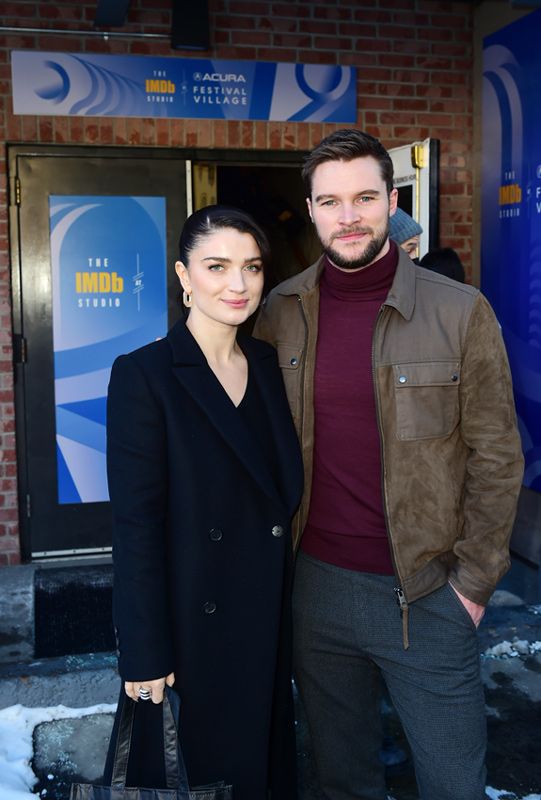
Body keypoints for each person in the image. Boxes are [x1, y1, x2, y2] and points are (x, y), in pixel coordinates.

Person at [253, 129, 524, 800]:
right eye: (329, 201)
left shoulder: (459, 311)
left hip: (428, 591)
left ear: (392, 201)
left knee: (452, 782)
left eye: (364, 197)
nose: (347, 216)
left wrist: (471, 585)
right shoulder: (277, 313)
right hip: (315, 590)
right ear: (310, 209)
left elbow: (496, 455)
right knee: (340, 779)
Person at [104, 205, 304, 800]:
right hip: (194, 631)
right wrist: (143, 652)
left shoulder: (267, 364)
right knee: (201, 778)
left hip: (265, 620)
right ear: (184, 277)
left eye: (252, 267)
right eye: (217, 266)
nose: (238, 285)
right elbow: (135, 525)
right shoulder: (145, 374)